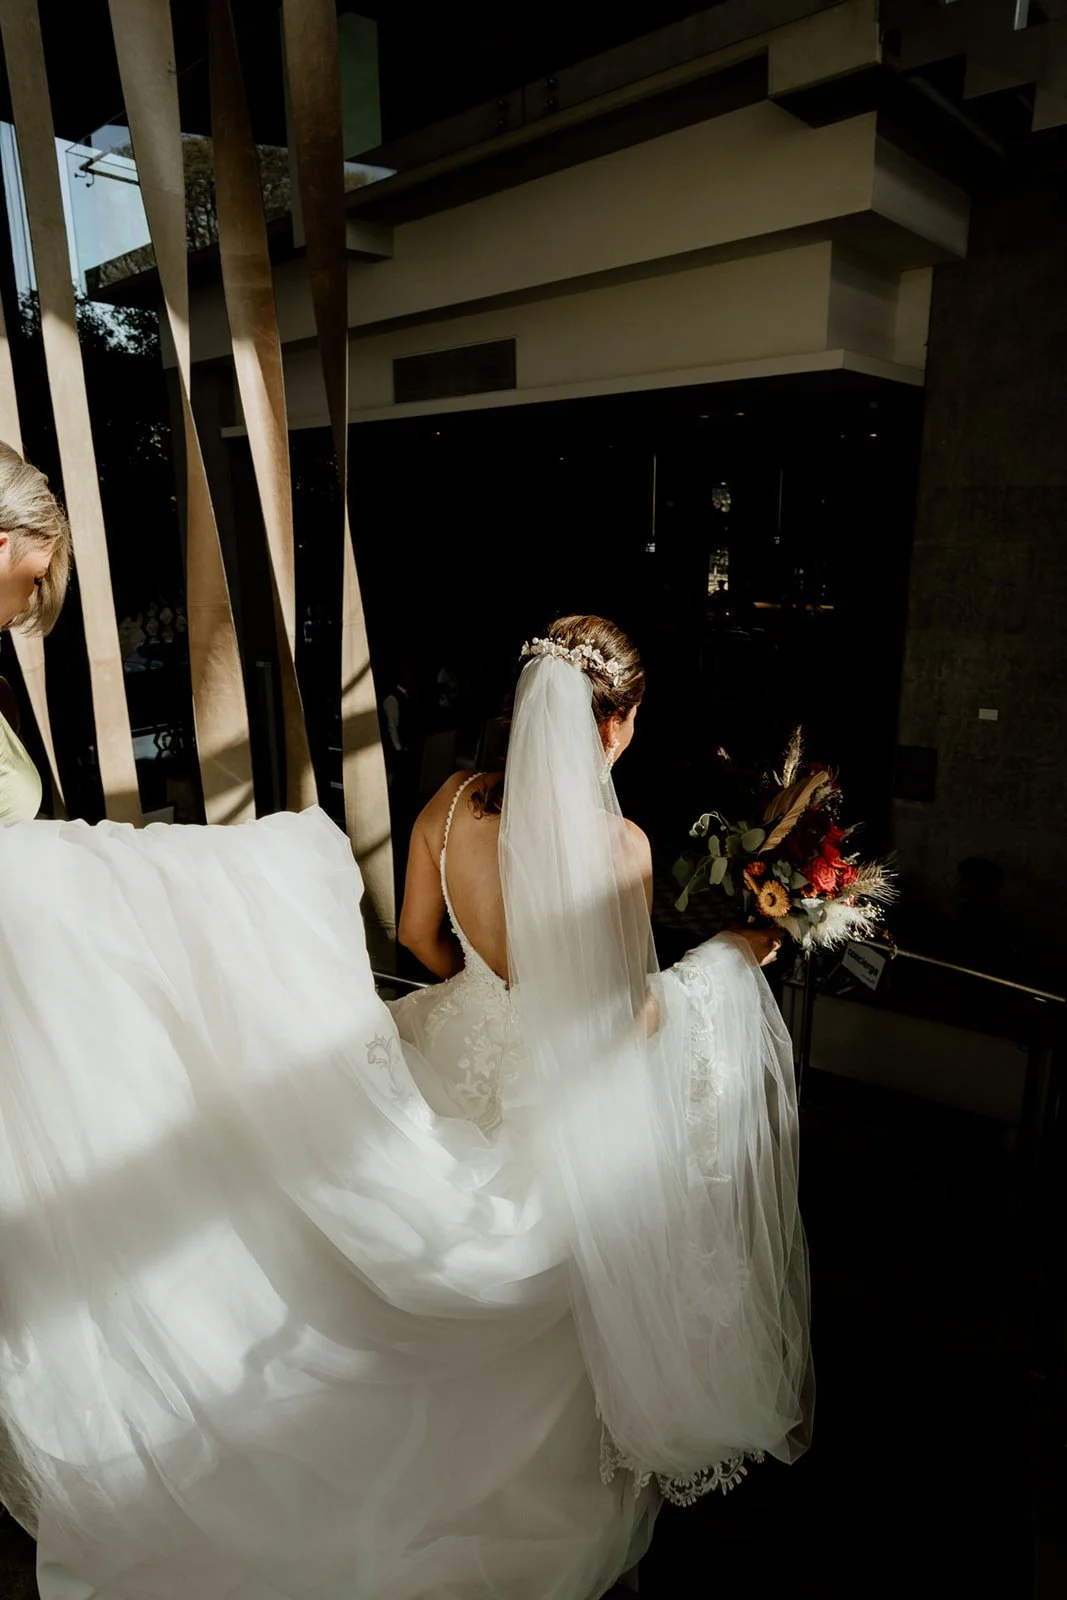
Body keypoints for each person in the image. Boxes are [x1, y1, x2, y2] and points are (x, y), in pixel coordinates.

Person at [0, 440, 809, 1600]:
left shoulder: (444, 807)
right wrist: (724, 970)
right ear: (616, 722)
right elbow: (623, 1016)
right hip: (553, 1089)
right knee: (575, 1253)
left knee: (389, 1270)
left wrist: (487, 990)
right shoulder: (620, 851)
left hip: (452, 1054)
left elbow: (422, 946)